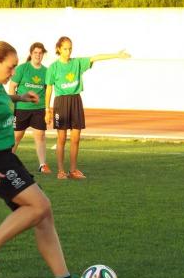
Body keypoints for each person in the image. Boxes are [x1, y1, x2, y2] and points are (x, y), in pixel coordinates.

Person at [0, 32, 80, 278]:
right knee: (41, 206)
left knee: (43, 216)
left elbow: (0, 99)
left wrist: (20, 98)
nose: (13, 72)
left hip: (5, 158)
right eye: (10, 67)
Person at [45, 36, 130, 180]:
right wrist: (47, 109)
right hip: (61, 103)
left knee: (76, 138)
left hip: (76, 101)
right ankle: (61, 171)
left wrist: (116, 55)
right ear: (59, 49)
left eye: (70, 48)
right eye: (65, 48)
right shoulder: (53, 67)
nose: (68, 51)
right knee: (61, 138)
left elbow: (95, 58)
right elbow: (48, 89)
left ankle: (73, 170)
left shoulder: (78, 62)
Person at [7, 42, 51, 174]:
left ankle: (42, 165)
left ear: (43, 54)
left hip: (39, 108)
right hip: (21, 108)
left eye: (40, 53)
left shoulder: (46, 71)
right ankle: (7, 163)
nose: (38, 55)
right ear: (31, 54)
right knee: (16, 136)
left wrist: (47, 109)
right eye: (35, 53)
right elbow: (12, 86)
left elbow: (48, 90)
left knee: (40, 135)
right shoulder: (22, 68)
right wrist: (12, 107)